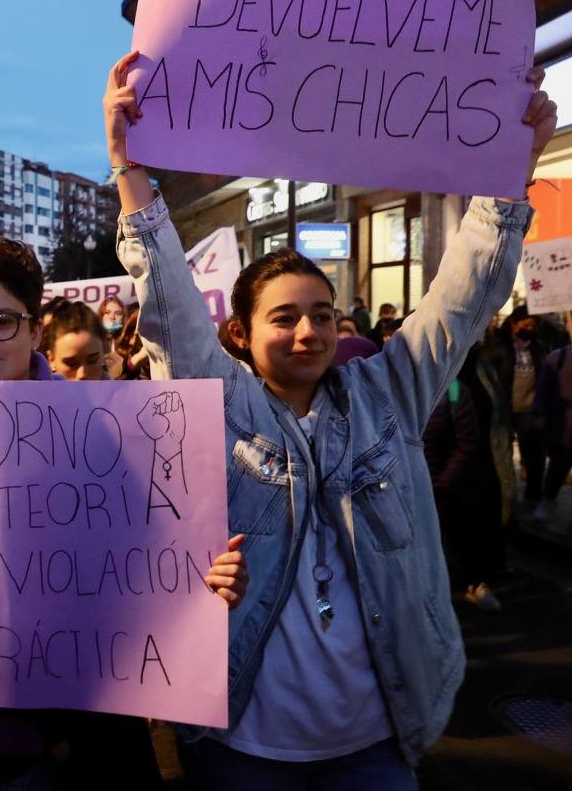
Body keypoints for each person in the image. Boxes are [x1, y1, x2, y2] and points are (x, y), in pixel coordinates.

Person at [104, 48, 556, 786]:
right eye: (283, 318)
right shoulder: (222, 403)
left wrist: (515, 163)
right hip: (244, 745)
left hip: (375, 743)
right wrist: (129, 167)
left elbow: (463, 296)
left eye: (322, 314)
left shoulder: (389, 395)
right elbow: (171, 311)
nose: (309, 331)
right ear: (241, 335)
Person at [0, 231, 246, 790]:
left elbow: (157, 558)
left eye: (2, 321)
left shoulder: (109, 431)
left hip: (75, 744)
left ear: (34, 328)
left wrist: (206, 580)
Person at [424, 347, 504, 611]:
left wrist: (443, 481)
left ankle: (474, 582)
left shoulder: (456, 389)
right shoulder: (395, 389)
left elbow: (469, 441)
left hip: (454, 480)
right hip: (415, 485)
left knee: (465, 530)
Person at [489, 307, 549, 508]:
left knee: (534, 452)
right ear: (514, 324)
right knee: (501, 454)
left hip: (529, 410)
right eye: (526, 325)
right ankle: (504, 497)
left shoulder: (538, 348)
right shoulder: (499, 349)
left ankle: (533, 495)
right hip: (504, 410)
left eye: (533, 326)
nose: (529, 329)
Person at [533, 338, 572, 524]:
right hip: (562, 428)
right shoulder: (558, 357)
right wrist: (540, 415)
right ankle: (545, 505)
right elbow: (542, 390)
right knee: (557, 469)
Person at [43, 299, 107, 381]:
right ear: (51, 360)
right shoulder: (32, 393)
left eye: (92, 361)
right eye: (71, 363)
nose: (82, 374)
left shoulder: (123, 393)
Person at [111, 303, 150, 380]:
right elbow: (111, 389)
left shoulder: (161, 361)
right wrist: (134, 363)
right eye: (132, 330)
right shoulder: (113, 360)